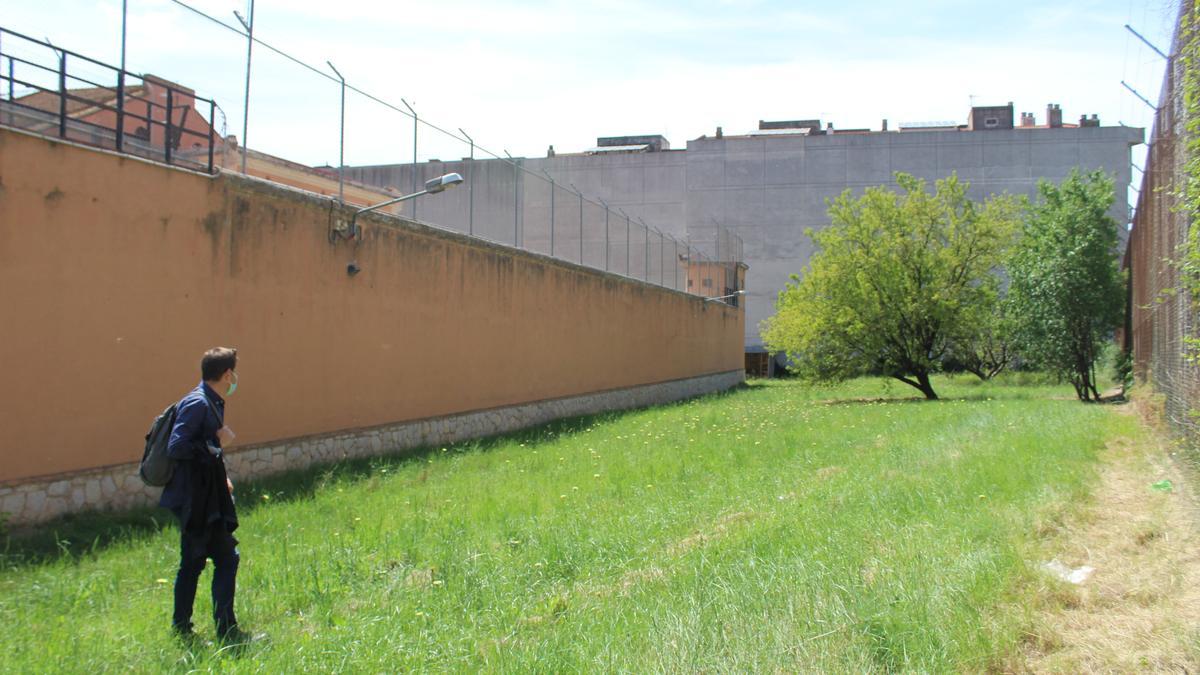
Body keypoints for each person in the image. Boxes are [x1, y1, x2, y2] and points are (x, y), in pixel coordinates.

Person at [160, 346, 247, 643]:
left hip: (205, 494)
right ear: (226, 374)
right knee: (225, 558)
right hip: (195, 500)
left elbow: (201, 450)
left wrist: (221, 475)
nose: (235, 377)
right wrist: (215, 441)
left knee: (195, 562)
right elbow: (178, 446)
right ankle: (226, 630)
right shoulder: (198, 403)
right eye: (233, 372)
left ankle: (182, 627)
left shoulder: (210, 401)